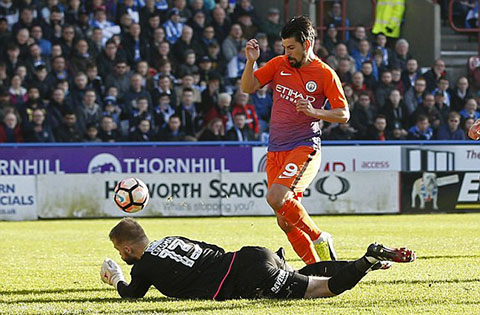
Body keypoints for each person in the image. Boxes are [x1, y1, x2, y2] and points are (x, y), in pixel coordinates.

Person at [241, 16, 350, 264]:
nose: (286, 52)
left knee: (275, 197)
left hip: (305, 146)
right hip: (275, 149)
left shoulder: (324, 73)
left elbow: (343, 114)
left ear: (307, 44)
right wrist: (250, 62)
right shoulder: (279, 64)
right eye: (284, 47)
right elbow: (248, 87)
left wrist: (315, 112)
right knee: (283, 219)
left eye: (291, 47)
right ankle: (317, 269)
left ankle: (320, 237)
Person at [100, 218, 416, 300]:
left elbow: (132, 293)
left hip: (246, 277)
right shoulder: (171, 239)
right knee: (307, 275)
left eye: (119, 252)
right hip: (250, 256)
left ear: (127, 250)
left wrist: (115, 277)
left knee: (322, 289)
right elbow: (211, 247)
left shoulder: (143, 267)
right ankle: (363, 263)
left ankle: (366, 261)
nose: (120, 256)